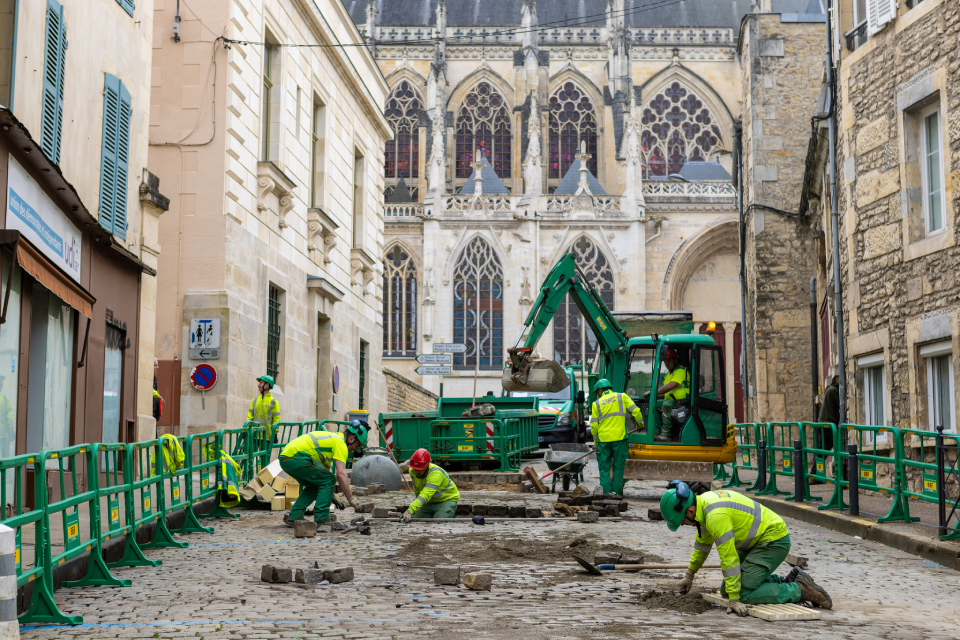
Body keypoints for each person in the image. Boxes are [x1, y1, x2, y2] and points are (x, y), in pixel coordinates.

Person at [661, 482, 832, 615]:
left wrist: (735, 599)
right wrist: (689, 575)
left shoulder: (715, 516)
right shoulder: (703, 506)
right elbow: (702, 547)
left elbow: (729, 559)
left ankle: (801, 590)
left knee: (741, 593)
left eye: (682, 521)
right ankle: (788, 580)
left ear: (690, 511)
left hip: (773, 541)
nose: (683, 524)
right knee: (726, 590)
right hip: (755, 542)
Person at [278, 421, 368, 526]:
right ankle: (322, 518)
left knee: (315, 485)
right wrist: (351, 499)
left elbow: (322, 476)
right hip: (298, 457)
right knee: (330, 479)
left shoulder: (332, 441)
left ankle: (295, 516)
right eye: (358, 445)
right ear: (351, 439)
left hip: (286, 458)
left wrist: (331, 495)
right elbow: (341, 474)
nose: (356, 450)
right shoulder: (341, 444)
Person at [590, 379, 643, 496]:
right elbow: (637, 411)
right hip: (619, 439)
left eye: (597, 392)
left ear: (600, 390)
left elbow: (594, 426)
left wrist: (596, 442)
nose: (597, 395)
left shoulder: (596, 404)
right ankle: (616, 496)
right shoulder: (622, 397)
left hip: (603, 441)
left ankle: (605, 495)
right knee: (618, 468)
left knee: (604, 469)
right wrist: (640, 424)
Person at [398, 448, 460, 521]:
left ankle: (449, 516)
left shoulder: (435, 474)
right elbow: (417, 490)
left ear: (426, 466)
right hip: (428, 502)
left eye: (420, 470)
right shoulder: (412, 470)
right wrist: (417, 507)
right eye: (415, 469)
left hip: (446, 500)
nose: (417, 472)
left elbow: (425, 495)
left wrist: (410, 510)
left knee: (439, 523)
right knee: (417, 522)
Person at [654, 348, 690, 442]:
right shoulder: (669, 374)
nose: (666, 363)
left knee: (666, 405)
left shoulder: (680, 371)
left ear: (675, 360)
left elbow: (670, 386)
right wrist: (652, 396)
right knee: (654, 404)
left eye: (669, 360)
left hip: (682, 402)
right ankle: (655, 432)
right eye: (665, 361)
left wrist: (654, 391)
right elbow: (666, 393)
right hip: (672, 401)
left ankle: (665, 435)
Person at [812, 369, 839, 483]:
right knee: (839, 447)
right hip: (828, 425)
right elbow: (841, 404)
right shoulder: (834, 391)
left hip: (822, 423)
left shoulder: (830, 390)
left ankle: (814, 475)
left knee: (822, 451)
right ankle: (839, 474)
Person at [248, 374, 281, 440]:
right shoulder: (254, 401)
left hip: (267, 437)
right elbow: (249, 417)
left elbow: (276, 419)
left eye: (261, 383)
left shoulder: (273, 402)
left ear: (267, 385)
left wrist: (275, 433)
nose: (258, 385)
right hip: (254, 436)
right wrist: (246, 429)